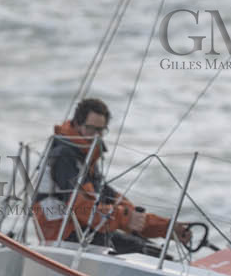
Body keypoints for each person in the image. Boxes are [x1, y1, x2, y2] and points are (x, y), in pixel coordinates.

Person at [33, 97, 192, 252]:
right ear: (77, 124)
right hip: (62, 234)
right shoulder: (64, 156)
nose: (96, 136)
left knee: (149, 248)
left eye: (100, 130)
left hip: (81, 230)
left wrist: (166, 227)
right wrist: (126, 218)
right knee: (140, 250)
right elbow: (83, 208)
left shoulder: (85, 156)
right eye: (91, 129)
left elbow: (113, 202)